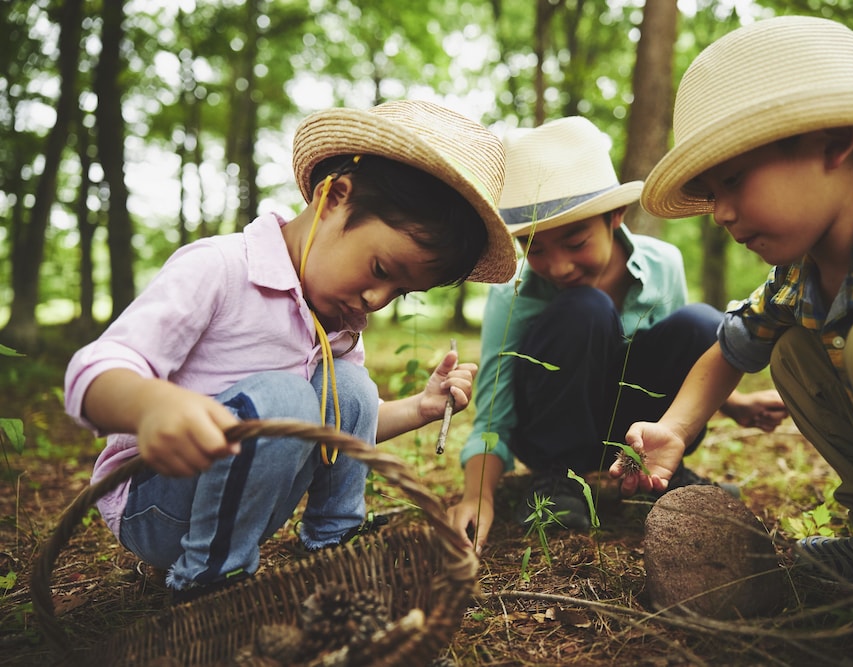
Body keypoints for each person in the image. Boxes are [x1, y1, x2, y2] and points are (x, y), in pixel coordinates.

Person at [610, 15, 853, 667]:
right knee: (790, 348)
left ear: (834, 142)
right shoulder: (798, 281)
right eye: (708, 196)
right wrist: (676, 428)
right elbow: (730, 349)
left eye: (733, 179)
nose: (722, 213)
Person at [64, 100, 517, 602]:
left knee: (350, 388)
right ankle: (210, 584)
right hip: (157, 500)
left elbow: (340, 426)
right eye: (383, 270)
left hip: (247, 506)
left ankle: (332, 543)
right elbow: (92, 372)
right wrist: (152, 407)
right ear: (334, 196)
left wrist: (421, 409)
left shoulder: (339, 321)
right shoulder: (220, 269)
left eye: (401, 293)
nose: (376, 300)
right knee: (285, 397)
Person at [447, 116, 787, 554]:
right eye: (536, 249)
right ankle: (557, 480)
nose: (559, 266)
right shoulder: (513, 293)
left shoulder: (663, 263)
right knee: (585, 307)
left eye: (575, 242)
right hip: (551, 427)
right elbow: (494, 415)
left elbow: (674, 363)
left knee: (702, 324)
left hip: (628, 432)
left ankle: (655, 471)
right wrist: (478, 494)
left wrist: (733, 404)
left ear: (614, 217)